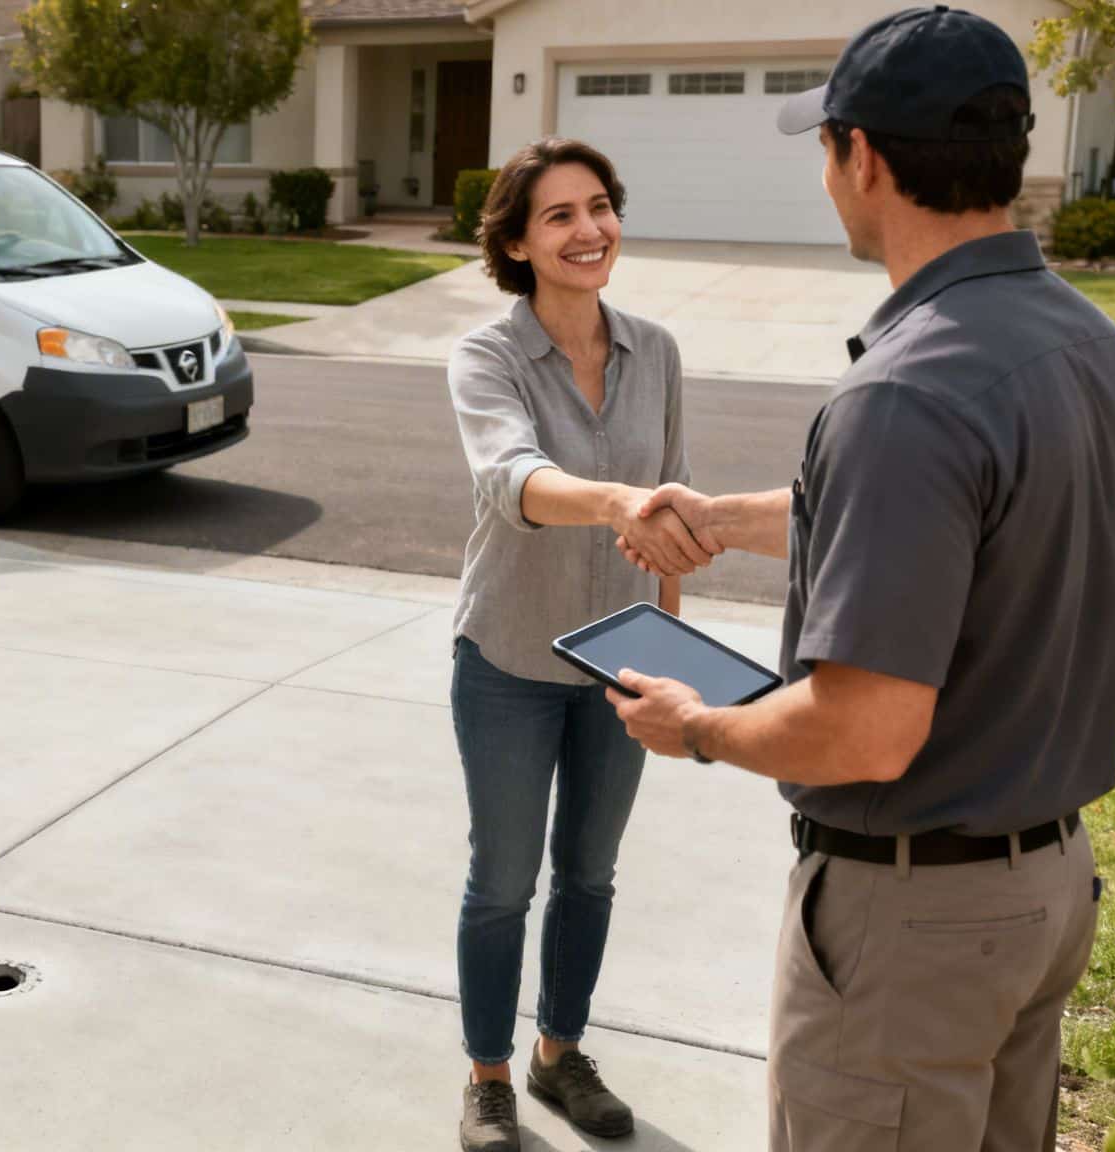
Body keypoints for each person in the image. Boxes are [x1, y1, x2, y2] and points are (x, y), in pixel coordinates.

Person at [605, 7, 1115, 1150]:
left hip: (913, 925)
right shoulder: (1088, 345)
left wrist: (698, 725)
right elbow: (942, 526)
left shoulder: (901, 396)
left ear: (860, 157)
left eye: (823, 144)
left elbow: (862, 734)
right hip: (1042, 889)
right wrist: (713, 520)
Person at [446, 136, 712, 1152]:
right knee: (503, 881)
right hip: (509, 661)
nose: (587, 230)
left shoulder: (657, 349)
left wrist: (672, 651)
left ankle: (560, 1056)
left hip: (624, 662)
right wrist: (614, 500)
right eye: (557, 215)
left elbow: (674, 508)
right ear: (515, 242)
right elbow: (508, 481)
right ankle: (486, 1078)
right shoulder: (485, 356)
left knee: (590, 875)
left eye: (598, 207)